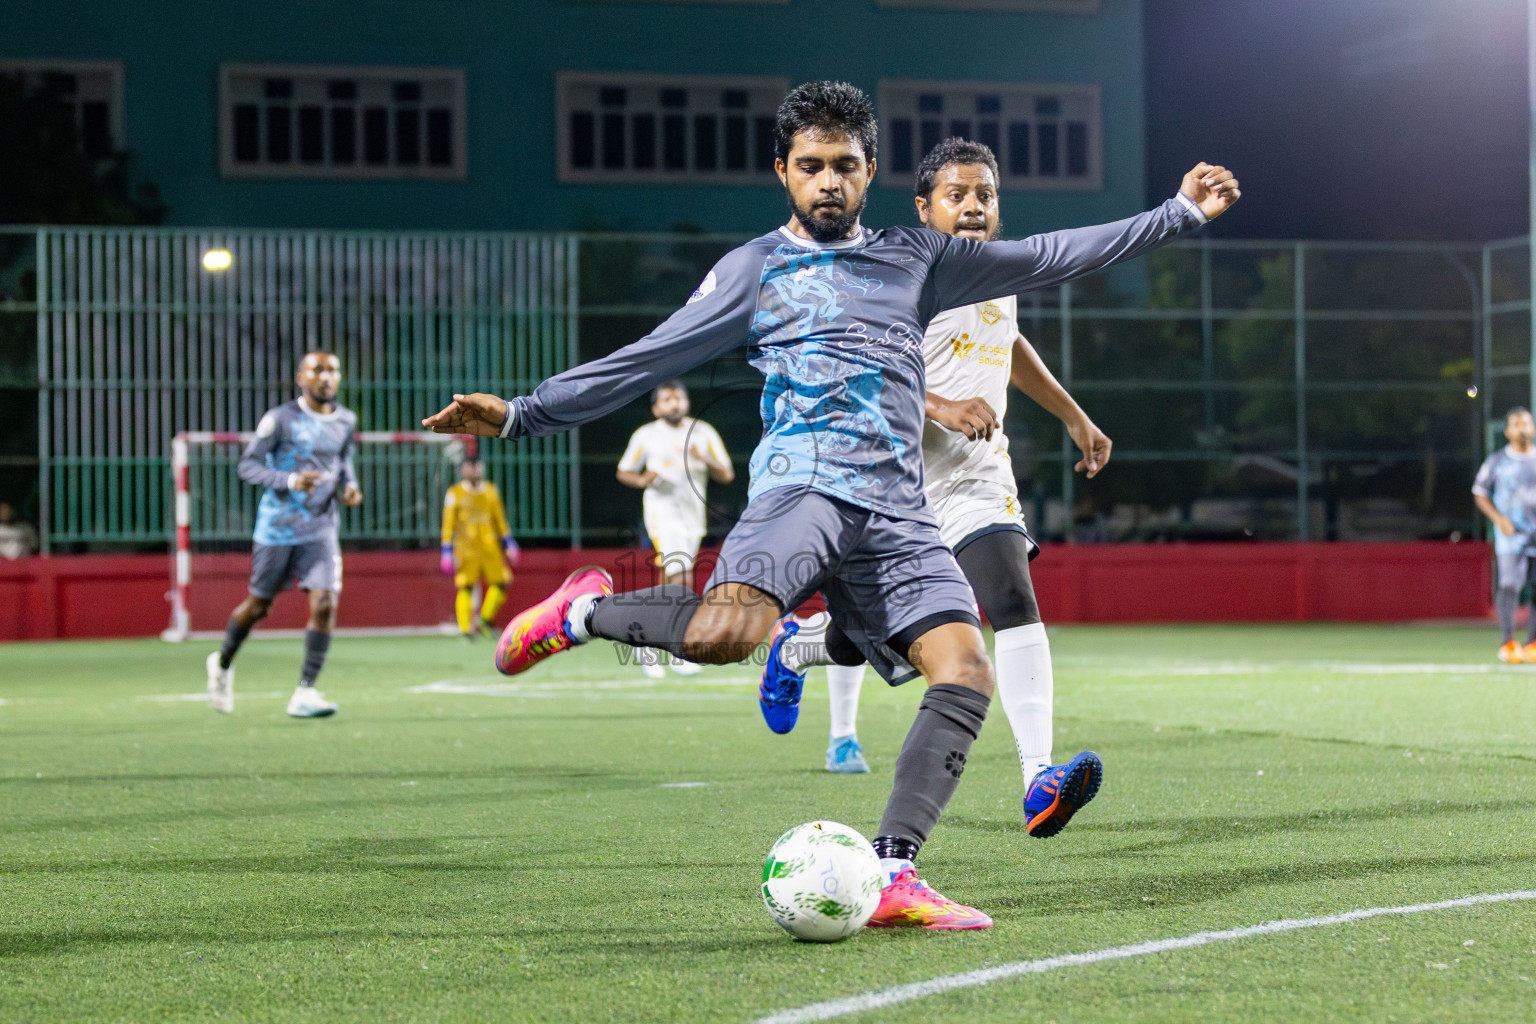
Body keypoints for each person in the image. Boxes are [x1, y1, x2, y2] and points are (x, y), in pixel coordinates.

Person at [423, 81, 1239, 930]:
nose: (827, 183)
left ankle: (893, 872)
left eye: (844, 166)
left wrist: (1177, 212)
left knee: (964, 671)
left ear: (869, 170)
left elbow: (1053, 253)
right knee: (722, 636)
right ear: (782, 171)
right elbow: (645, 356)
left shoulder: (916, 256)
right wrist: (523, 414)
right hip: (802, 488)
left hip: (899, 511)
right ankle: (584, 614)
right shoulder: (754, 271)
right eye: (809, 166)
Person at [785, 140, 1108, 842]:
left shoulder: (1000, 272)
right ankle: (798, 648)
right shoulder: (897, 274)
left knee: (1012, 599)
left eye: (985, 195)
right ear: (925, 206)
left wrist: (1073, 416)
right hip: (892, 487)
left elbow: (1010, 342)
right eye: (957, 194)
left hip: (976, 480)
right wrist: (943, 405)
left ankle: (1039, 778)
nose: (972, 206)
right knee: (874, 642)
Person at [205, 351, 362, 718]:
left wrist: (350, 486)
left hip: (321, 528)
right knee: (259, 605)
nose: (326, 377)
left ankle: (305, 691)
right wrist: (290, 480)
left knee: (325, 603)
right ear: (300, 377)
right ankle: (223, 661)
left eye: (333, 371)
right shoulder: (280, 419)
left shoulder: (346, 420)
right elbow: (247, 465)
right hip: (277, 528)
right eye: (318, 370)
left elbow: (344, 462)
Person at [615, 379, 734, 677]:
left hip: (692, 517)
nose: (674, 403)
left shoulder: (702, 432)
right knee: (681, 576)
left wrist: (701, 456)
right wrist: (643, 480)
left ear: (687, 402)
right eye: (667, 399)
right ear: (656, 408)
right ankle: (680, 646)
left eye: (678, 397)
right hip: (662, 514)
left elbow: (727, 474)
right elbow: (624, 471)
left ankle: (645, 638)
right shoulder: (647, 435)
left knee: (672, 580)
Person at [1472, 406, 1536, 662]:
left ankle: (1532, 643)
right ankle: (1508, 642)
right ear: (1508, 430)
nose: (1522, 429)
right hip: (1511, 538)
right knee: (1509, 584)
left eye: (1526, 424)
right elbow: (1479, 492)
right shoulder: (1498, 461)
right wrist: (1498, 519)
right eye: (1517, 424)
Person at [441, 458, 518, 640]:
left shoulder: (490, 490)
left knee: (502, 582)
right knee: (466, 585)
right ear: (462, 470)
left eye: (476, 466)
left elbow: (499, 518)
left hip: (490, 546)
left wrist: (508, 542)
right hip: (466, 548)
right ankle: (465, 628)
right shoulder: (455, 493)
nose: (474, 470)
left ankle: (484, 619)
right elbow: (448, 523)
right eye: (470, 467)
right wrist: (446, 549)